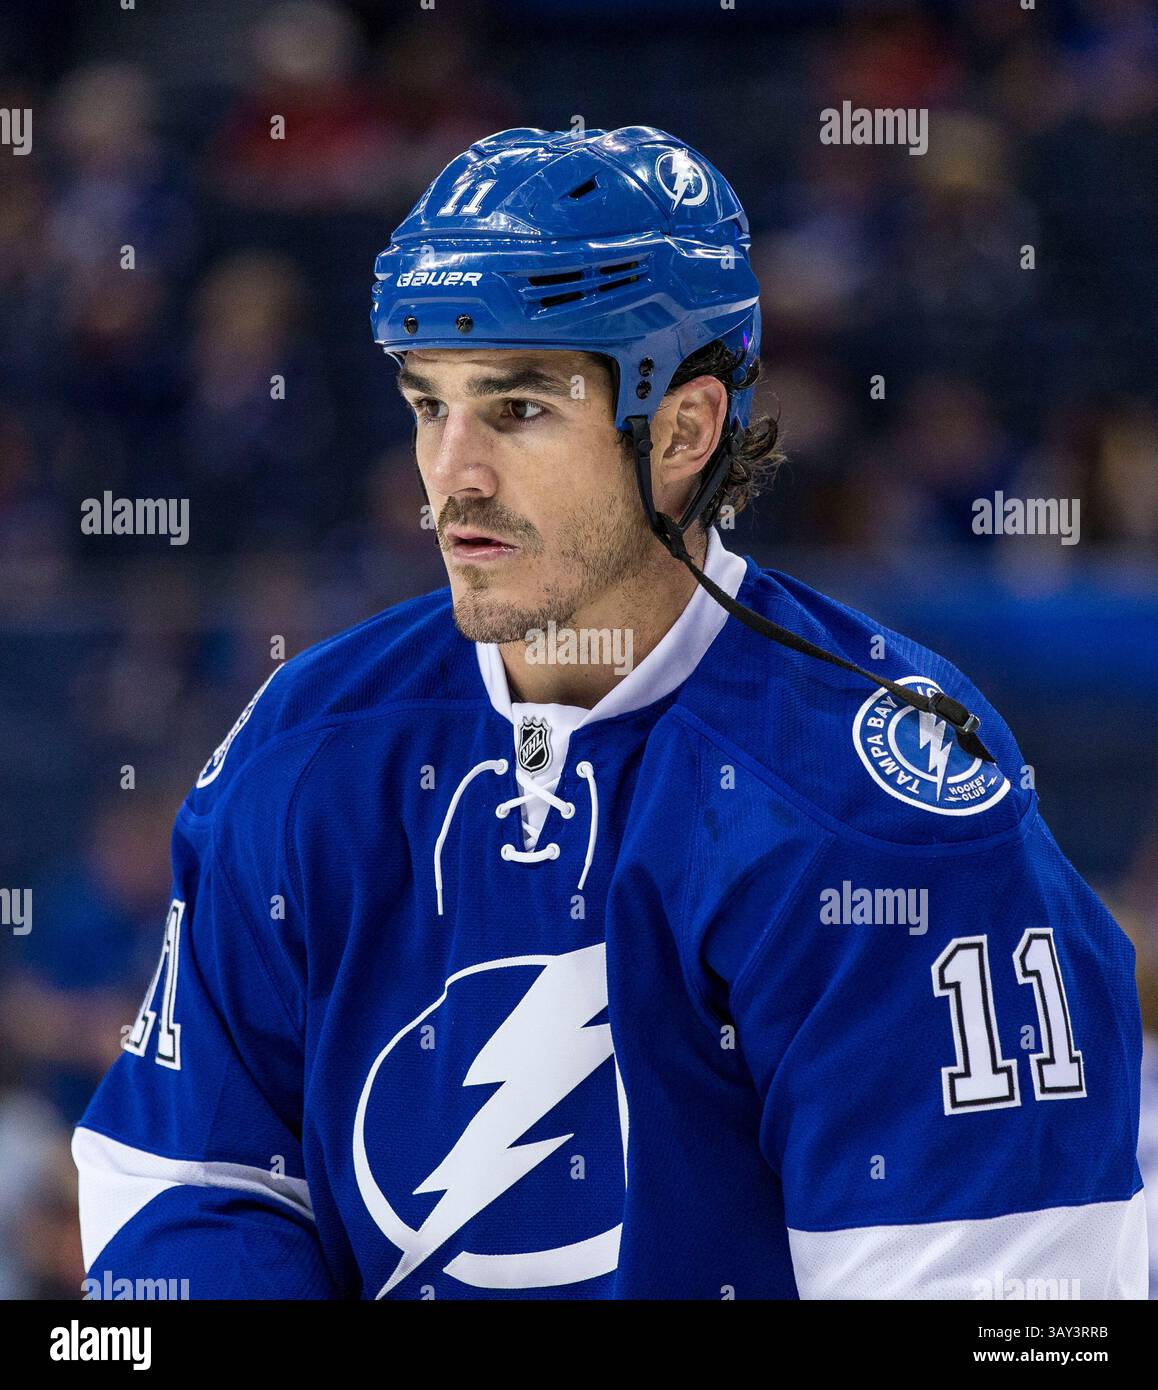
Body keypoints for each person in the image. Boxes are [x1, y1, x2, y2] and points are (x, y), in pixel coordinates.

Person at [73, 126, 1146, 1299]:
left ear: (682, 431)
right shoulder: (307, 743)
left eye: (519, 409)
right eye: (429, 405)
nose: (452, 473)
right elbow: (185, 1182)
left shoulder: (884, 811)